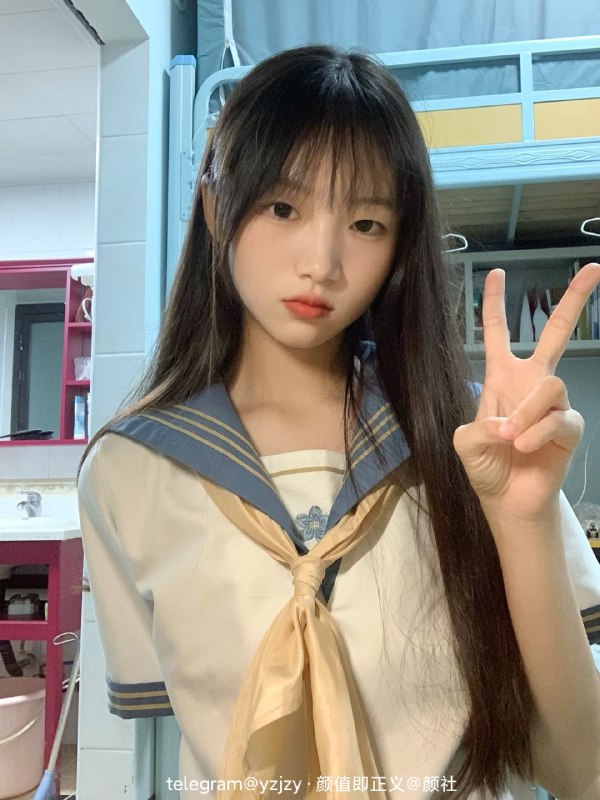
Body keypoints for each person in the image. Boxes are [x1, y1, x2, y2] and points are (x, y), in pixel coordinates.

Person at [77, 44, 600, 800]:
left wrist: (521, 520)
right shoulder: (128, 469)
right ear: (217, 206)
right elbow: (172, 737)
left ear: (399, 244)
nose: (321, 262)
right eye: (283, 208)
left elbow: (579, 771)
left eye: (365, 222)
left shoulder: (473, 441)